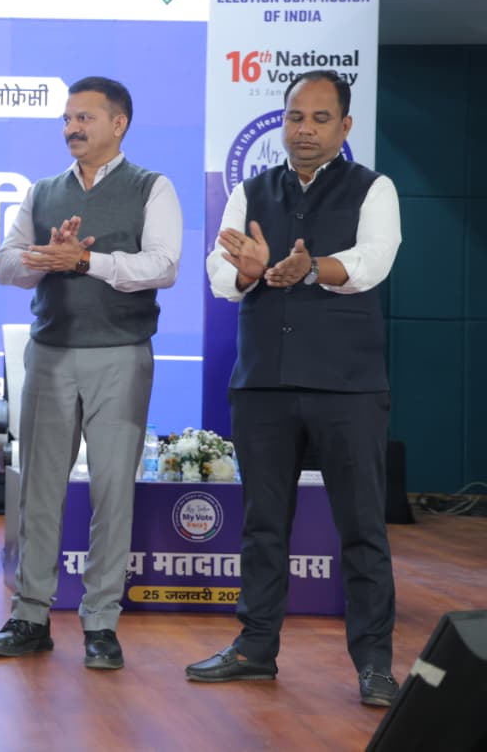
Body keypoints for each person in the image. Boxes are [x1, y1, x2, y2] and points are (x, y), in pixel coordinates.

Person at [187, 70, 403, 708]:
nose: (304, 130)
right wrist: (247, 271)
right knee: (262, 525)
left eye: (319, 118)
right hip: (264, 385)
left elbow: (373, 262)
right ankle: (255, 648)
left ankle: (375, 664)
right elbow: (219, 274)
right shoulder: (251, 191)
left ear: (345, 125)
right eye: (294, 117)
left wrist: (314, 268)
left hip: (347, 387)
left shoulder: (373, 187)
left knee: (362, 527)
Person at [0, 76, 182, 670]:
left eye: (84, 118)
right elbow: (5, 265)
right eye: (67, 119)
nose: (71, 128)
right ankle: (30, 615)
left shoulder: (152, 186)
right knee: (39, 490)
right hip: (50, 353)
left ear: (119, 124)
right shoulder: (43, 191)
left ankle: (100, 622)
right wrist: (43, 257)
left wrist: (86, 260)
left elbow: (164, 266)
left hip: (120, 354)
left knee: (113, 491)